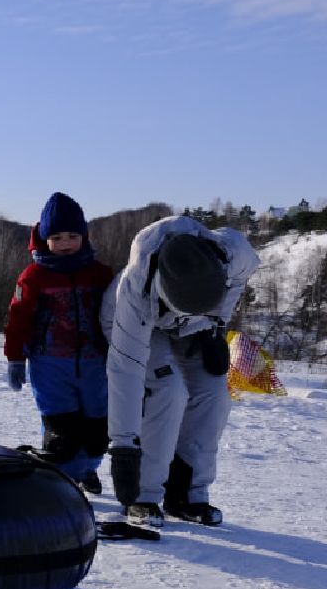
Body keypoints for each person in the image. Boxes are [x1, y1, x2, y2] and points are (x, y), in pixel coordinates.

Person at [101, 215, 260, 528]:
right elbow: (125, 372)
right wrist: (123, 449)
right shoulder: (134, 292)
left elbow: (239, 280)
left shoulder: (234, 255)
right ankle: (144, 496)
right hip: (136, 325)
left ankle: (187, 492)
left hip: (192, 327)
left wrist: (215, 324)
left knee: (216, 391)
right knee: (168, 389)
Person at [4, 192, 113, 493]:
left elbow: (121, 314)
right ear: (43, 238)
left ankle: (86, 469)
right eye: (57, 237)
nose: (65, 243)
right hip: (50, 364)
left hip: (95, 363)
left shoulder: (100, 274)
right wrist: (15, 358)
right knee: (61, 430)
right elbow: (18, 318)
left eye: (72, 236)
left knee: (96, 430)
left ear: (84, 236)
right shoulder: (34, 276)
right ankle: (62, 479)